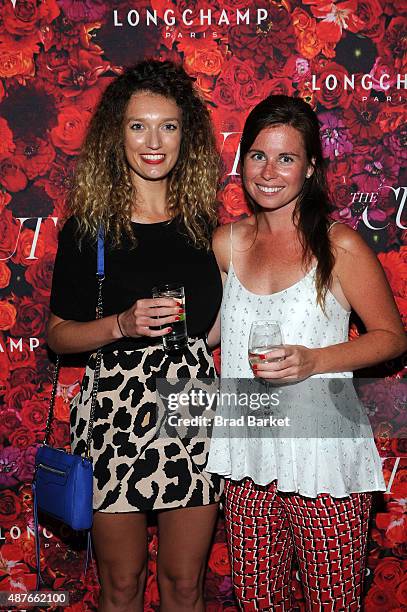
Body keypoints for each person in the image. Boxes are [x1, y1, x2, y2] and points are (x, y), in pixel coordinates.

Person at [206, 95, 407, 610]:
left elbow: (391, 337)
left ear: (310, 167)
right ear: (242, 160)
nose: (268, 171)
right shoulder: (226, 243)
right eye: (257, 155)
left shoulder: (338, 246)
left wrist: (315, 359)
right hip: (247, 452)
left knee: (332, 603)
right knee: (257, 602)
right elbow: (215, 330)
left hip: (323, 456)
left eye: (286, 158)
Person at [47, 60, 223, 612]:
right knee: (120, 588)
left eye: (168, 126)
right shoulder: (88, 228)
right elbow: (57, 337)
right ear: (115, 134)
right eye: (138, 125)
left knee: (183, 585)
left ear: (185, 136)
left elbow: (212, 330)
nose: (154, 141)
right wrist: (120, 324)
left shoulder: (203, 225)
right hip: (114, 418)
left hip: (191, 412)